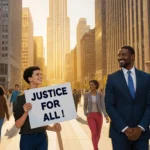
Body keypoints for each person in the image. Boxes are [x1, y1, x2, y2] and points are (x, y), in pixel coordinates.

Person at [105, 46, 150, 150]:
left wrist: (140, 128)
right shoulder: (112, 78)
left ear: (133, 56)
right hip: (119, 134)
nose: (120, 57)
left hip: (142, 134)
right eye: (119, 55)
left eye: (124, 54)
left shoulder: (146, 78)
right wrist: (125, 129)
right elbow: (109, 105)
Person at [14, 66, 61, 150]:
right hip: (27, 139)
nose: (40, 76)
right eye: (37, 74)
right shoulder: (21, 98)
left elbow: (41, 123)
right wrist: (25, 113)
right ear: (30, 78)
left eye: (41, 74)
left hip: (42, 137)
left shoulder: (45, 97)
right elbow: (17, 125)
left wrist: (53, 128)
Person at [84, 80, 109, 150]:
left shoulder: (100, 94)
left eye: (92, 85)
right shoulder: (86, 94)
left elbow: (102, 106)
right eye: (90, 85)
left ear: (96, 86)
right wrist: (86, 113)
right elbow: (85, 106)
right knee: (94, 132)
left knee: (98, 133)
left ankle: (95, 146)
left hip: (99, 115)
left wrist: (106, 116)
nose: (91, 86)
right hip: (90, 116)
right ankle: (96, 148)